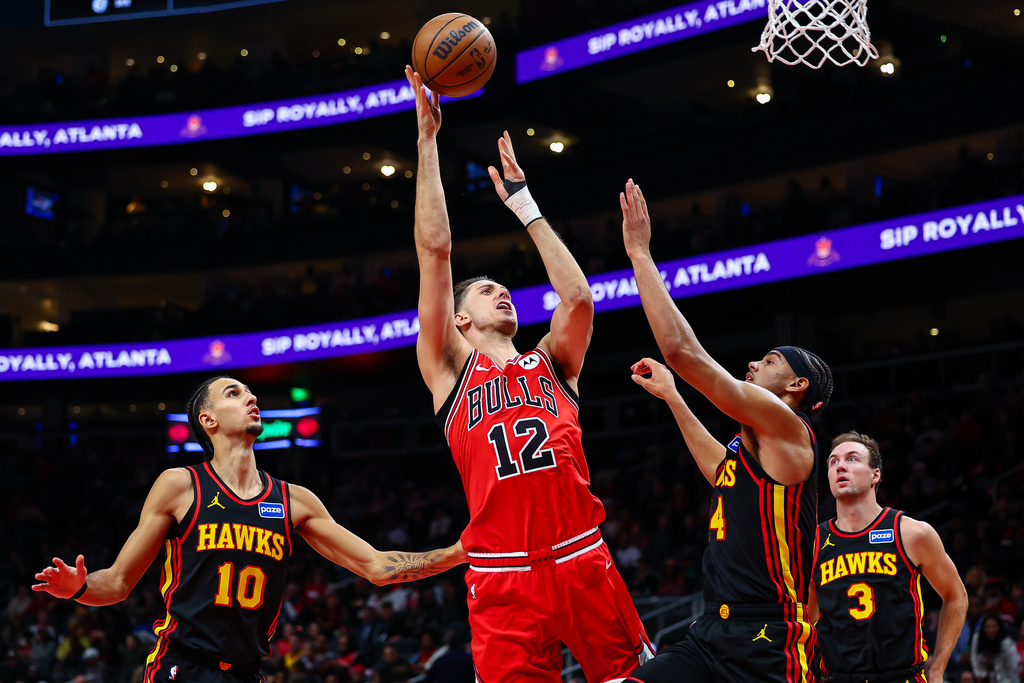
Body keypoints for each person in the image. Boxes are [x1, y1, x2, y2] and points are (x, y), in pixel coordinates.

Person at [405, 65, 653, 683]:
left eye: (506, 289)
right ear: (460, 319)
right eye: (487, 291)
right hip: (500, 571)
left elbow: (578, 299)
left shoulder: (551, 363)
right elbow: (434, 253)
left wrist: (525, 204)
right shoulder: (448, 372)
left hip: (581, 555)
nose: (503, 293)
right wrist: (428, 143)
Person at [33, 376, 467, 683]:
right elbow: (117, 583)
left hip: (248, 673)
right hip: (182, 666)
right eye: (234, 393)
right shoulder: (180, 485)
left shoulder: (295, 501)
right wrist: (77, 587)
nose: (251, 397)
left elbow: (375, 566)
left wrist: (458, 552)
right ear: (208, 420)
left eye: (250, 392)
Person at [619, 178, 832, 683]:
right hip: (711, 628)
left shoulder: (790, 428)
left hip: (769, 636)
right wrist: (674, 398)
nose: (754, 363)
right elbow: (722, 472)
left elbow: (682, 352)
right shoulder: (754, 444)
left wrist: (640, 254)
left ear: (797, 385)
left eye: (771, 360)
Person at [813, 432, 968, 683]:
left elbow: (955, 596)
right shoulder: (813, 542)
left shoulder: (912, 533)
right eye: (833, 462)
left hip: (901, 676)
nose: (840, 466)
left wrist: (938, 667)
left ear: (875, 475)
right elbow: (806, 619)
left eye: (852, 459)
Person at [971, 615, 1021, 683]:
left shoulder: (1006, 642)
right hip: (983, 677)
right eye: (988, 627)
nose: (991, 630)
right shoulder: (977, 638)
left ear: (999, 627)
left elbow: (1013, 666)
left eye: (994, 627)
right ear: (983, 628)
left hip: (1003, 678)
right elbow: (974, 659)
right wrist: (980, 675)